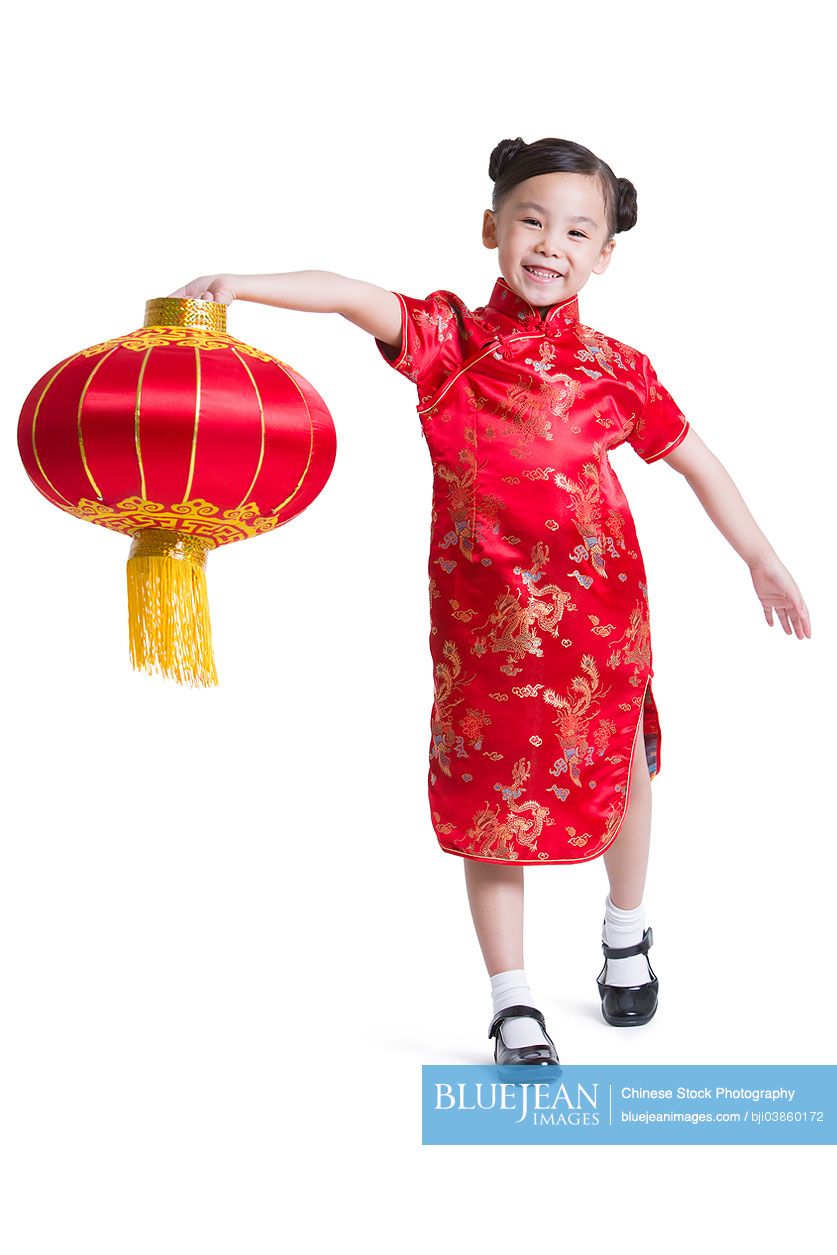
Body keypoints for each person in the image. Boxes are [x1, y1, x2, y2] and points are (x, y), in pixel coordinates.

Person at [169, 135, 811, 1072]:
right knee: (487, 797)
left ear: (603, 254)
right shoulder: (447, 343)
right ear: (492, 227)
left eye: (576, 231)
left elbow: (694, 461)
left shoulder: (615, 367)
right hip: (482, 620)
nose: (550, 244)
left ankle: (624, 931)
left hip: (601, 609)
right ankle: (511, 1001)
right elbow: (351, 295)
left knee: (622, 761)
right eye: (532, 221)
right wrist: (238, 283)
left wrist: (758, 555)